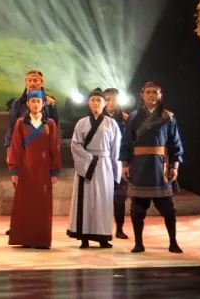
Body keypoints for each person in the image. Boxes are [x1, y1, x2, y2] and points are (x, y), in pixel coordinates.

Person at [120, 81, 184, 254]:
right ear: (142, 95)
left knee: (169, 210)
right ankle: (138, 244)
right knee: (137, 210)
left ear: (160, 95)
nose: (151, 95)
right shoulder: (133, 117)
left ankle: (173, 242)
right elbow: (126, 142)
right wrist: (125, 164)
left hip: (160, 168)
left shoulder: (168, 116)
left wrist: (175, 165)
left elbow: (175, 143)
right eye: (148, 92)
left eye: (155, 92)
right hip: (139, 167)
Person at [66, 88, 122, 249]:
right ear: (88, 103)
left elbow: (116, 149)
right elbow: (75, 145)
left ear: (105, 104)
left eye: (99, 100)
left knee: (103, 201)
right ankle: (83, 236)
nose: (96, 103)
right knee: (85, 201)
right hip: (86, 166)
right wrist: (89, 159)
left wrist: (116, 172)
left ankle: (102, 236)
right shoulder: (81, 123)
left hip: (104, 166)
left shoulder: (111, 123)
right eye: (93, 100)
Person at [7, 90, 61, 249]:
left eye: (38, 101)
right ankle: (25, 238)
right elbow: (15, 148)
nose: (35, 104)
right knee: (25, 204)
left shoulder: (50, 124)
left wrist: (55, 171)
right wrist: (14, 170)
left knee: (42, 205)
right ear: (27, 104)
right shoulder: (20, 123)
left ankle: (41, 239)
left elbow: (55, 148)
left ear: (43, 104)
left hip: (44, 170)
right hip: (25, 170)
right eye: (32, 101)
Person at [103, 87, 129, 239]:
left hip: (120, 162)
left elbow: (130, 142)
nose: (111, 102)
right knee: (101, 197)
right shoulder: (97, 118)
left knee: (119, 197)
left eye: (113, 99)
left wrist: (127, 163)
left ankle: (119, 228)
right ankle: (101, 229)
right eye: (107, 99)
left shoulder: (126, 119)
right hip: (102, 162)